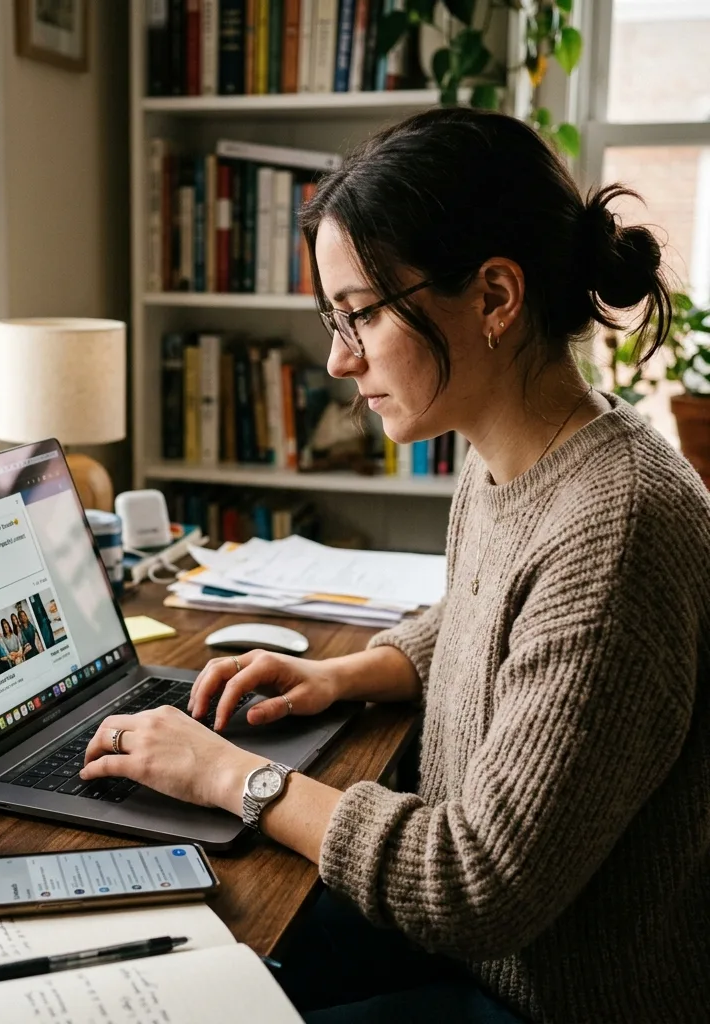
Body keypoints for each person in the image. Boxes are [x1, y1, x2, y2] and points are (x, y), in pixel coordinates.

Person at [81, 108, 710, 1023]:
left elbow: (476, 884)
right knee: (178, 959)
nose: (339, 359)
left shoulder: (618, 527)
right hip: (498, 958)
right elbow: (486, 615)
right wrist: (342, 673)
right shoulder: (520, 453)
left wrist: (233, 777)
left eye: (361, 316)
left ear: (494, 298)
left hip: (557, 994)